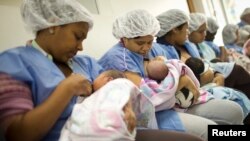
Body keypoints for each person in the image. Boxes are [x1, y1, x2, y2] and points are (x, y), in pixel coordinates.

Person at [0, 1, 205, 141]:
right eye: (77, 36)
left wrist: (125, 106)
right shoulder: (15, 63)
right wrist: (66, 89)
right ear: (53, 25)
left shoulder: (86, 63)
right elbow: (18, 134)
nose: (81, 47)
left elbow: (117, 87)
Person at [98, 9, 243, 141]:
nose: (146, 48)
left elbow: (175, 67)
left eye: (150, 41)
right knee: (209, 130)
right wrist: (180, 82)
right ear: (124, 38)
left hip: (174, 102)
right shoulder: (117, 58)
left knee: (234, 111)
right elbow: (145, 97)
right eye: (140, 43)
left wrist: (183, 76)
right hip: (150, 114)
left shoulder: (153, 49)